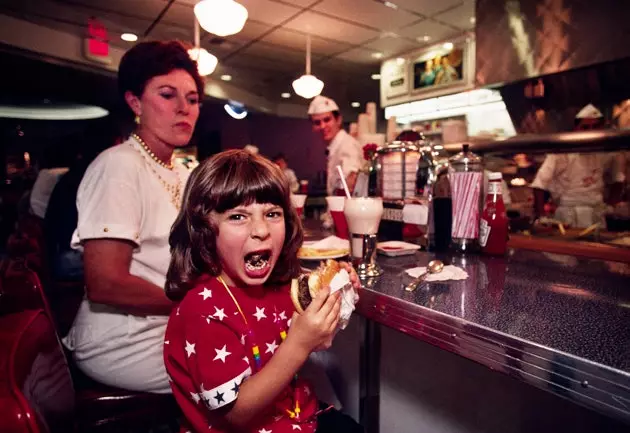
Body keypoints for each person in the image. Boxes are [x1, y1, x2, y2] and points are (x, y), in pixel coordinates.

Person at [164, 149, 363, 432]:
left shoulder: (281, 287)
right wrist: (300, 344)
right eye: (238, 217)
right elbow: (235, 414)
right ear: (205, 228)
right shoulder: (202, 310)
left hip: (300, 418)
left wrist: (338, 296)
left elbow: (320, 338)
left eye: (272, 214)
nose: (261, 230)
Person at [62, 40, 204, 393]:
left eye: (192, 99)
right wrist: (200, 303)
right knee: (252, 367)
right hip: (122, 340)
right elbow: (105, 283)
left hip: (170, 321)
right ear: (135, 102)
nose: (183, 108)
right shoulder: (118, 166)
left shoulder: (183, 171)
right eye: (167, 95)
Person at [532, 104, 625, 227]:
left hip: (597, 213)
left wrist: (610, 206)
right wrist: (542, 217)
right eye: (585, 127)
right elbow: (539, 184)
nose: (591, 131)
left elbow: (618, 179)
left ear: (602, 128)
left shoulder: (608, 153)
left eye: (595, 127)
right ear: (577, 129)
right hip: (567, 215)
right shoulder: (561, 152)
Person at [308, 96, 363, 196]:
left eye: (327, 119)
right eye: (317, 122)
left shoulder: (347, 144)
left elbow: (352, 180)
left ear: (338, 120)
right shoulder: (335, 147)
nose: (322, 126)